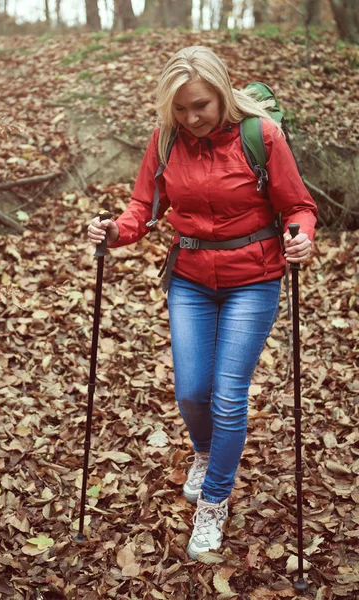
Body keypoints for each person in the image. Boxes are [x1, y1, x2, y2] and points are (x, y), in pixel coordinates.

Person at [87, 46, 317, 560]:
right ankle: (208, 453)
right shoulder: (167, 141)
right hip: (190, 278)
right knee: (192, 391)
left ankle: (214, 500)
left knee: (228, 393)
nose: (192, 119)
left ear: (222, 95)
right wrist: (112, 231)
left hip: (253, 278)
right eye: (181, 110)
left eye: (201, 107)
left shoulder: (262, 137)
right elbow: (143, 209)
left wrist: (301, 235)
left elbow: (298, 205)